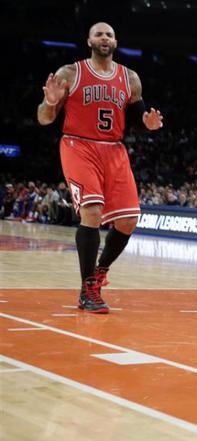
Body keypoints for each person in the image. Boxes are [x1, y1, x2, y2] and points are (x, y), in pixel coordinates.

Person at [36, 22, 163, 314]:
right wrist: (50, 103)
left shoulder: (130, 78)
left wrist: (147, 124)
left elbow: (136, 117)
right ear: (89, 40)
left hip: (114, 149)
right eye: (98, 34)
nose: (104, 38)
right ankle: (87, 288)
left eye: (109, 34)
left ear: (116, 41)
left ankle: (101, 270)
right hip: (78, 146)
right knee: (91, 212)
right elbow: (44, 118)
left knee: (129, 220)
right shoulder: (70, 72)